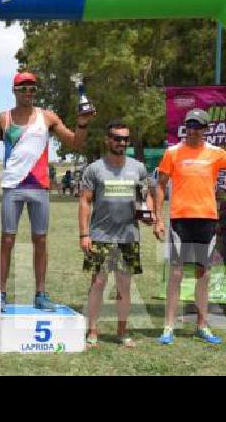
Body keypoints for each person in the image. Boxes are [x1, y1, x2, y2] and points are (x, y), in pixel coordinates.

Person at [154, 108, 226, 345]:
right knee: (175, 274)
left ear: (205, 129)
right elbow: (160, 185)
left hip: (206, 220)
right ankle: (168, 327)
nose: (192, 130)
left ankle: (202, 326)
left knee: (202, 275)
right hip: (180, 221)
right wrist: (158, 218)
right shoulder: (172, 152)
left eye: (197, 126)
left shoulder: (215, 153)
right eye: (189, 126)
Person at [0, 71, 93, 311]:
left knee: (40, 240)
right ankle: (0, 293)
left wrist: (82, 123)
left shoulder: (48, 117)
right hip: (13, 186)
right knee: (7, 239)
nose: (28, 92)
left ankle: (40, 294)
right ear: (14, 90)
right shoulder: (4, 119)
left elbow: (75, 142)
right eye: (23, 88)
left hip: (39, 187)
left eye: (32, 88)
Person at [78, 119, 154, 348]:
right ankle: (92, 331)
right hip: (100, 235)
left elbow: (145, 194)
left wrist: (149, 213)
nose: (121, 142)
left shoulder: (138, 167)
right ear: (107, 139)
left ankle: (122, 332)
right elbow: (84, 202)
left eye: (125, 139)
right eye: (117, 138)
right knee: (98, 284)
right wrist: (84, 234)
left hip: (128, 237)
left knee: (124, 287)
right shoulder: (95, 169)